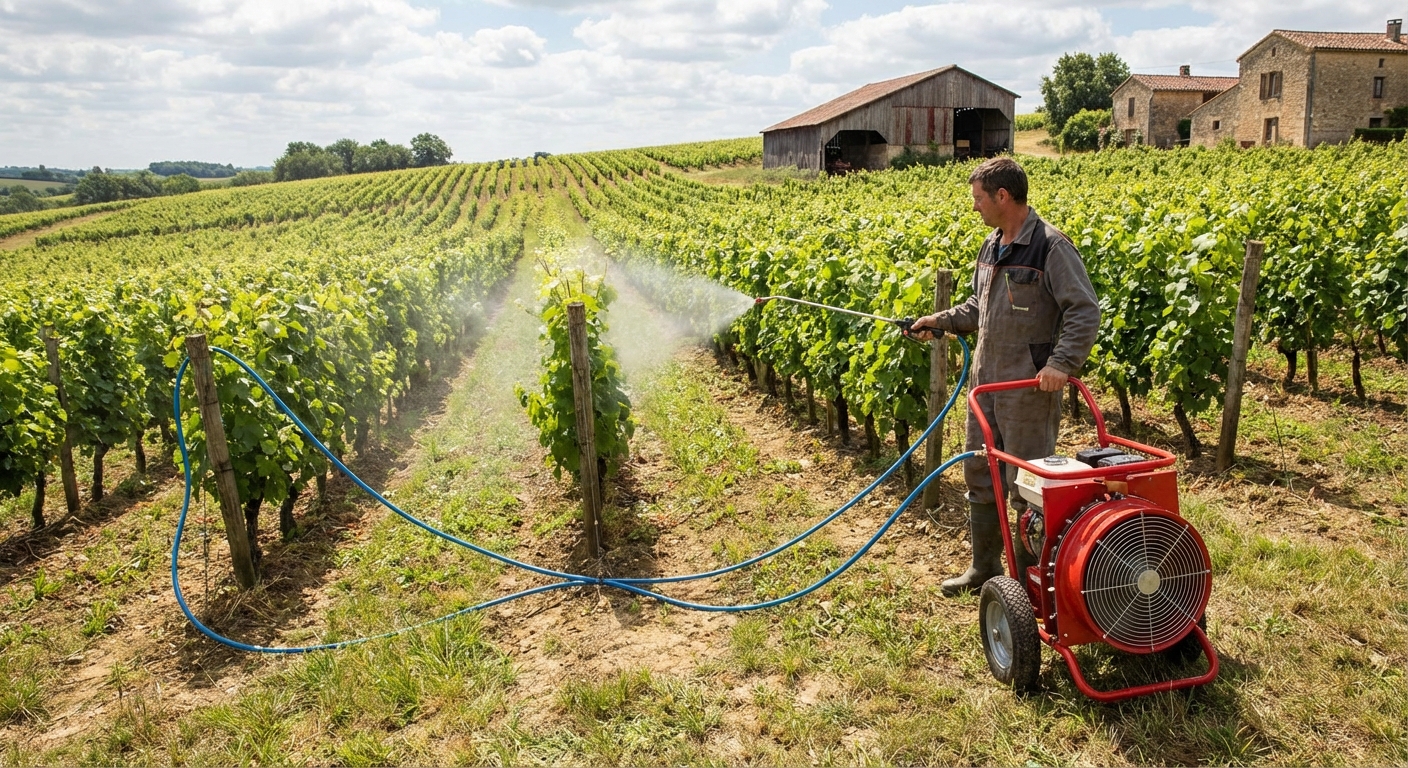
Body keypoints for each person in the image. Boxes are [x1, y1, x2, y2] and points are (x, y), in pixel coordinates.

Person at [909, 157, 1100, 597]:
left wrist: (1060, 365)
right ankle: (984, 569)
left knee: (1027, 483)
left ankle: (1025, 582)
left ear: (1002, 196)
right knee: (980, 471)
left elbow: (1084, 310)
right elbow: (979, 308)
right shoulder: (991, 245)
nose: (974, 206)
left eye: (978, 198)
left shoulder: (1050, 247)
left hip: (1027, 388)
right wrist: (939, 320)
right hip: (986, 384)